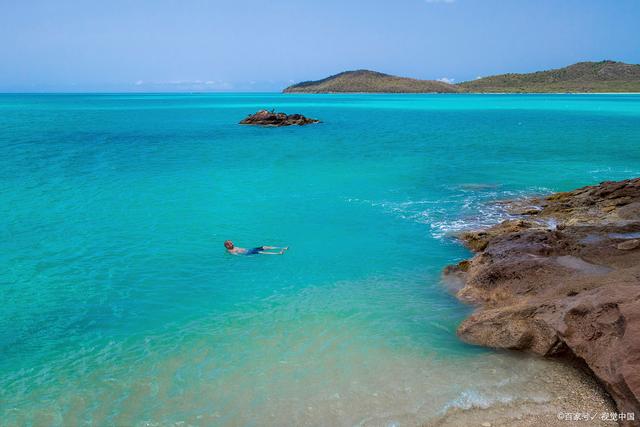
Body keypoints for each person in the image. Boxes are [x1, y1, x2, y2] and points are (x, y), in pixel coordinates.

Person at [224, 240, 288, 256]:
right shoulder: (230, 251)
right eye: (230, 243)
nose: (232, 243)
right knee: (261, 252)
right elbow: (236, 255)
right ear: (227, 246)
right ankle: (278, 253)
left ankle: (282, 247)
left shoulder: (234, 247)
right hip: (248, 252)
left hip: (250, 249)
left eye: (232, 242)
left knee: (263, 247)